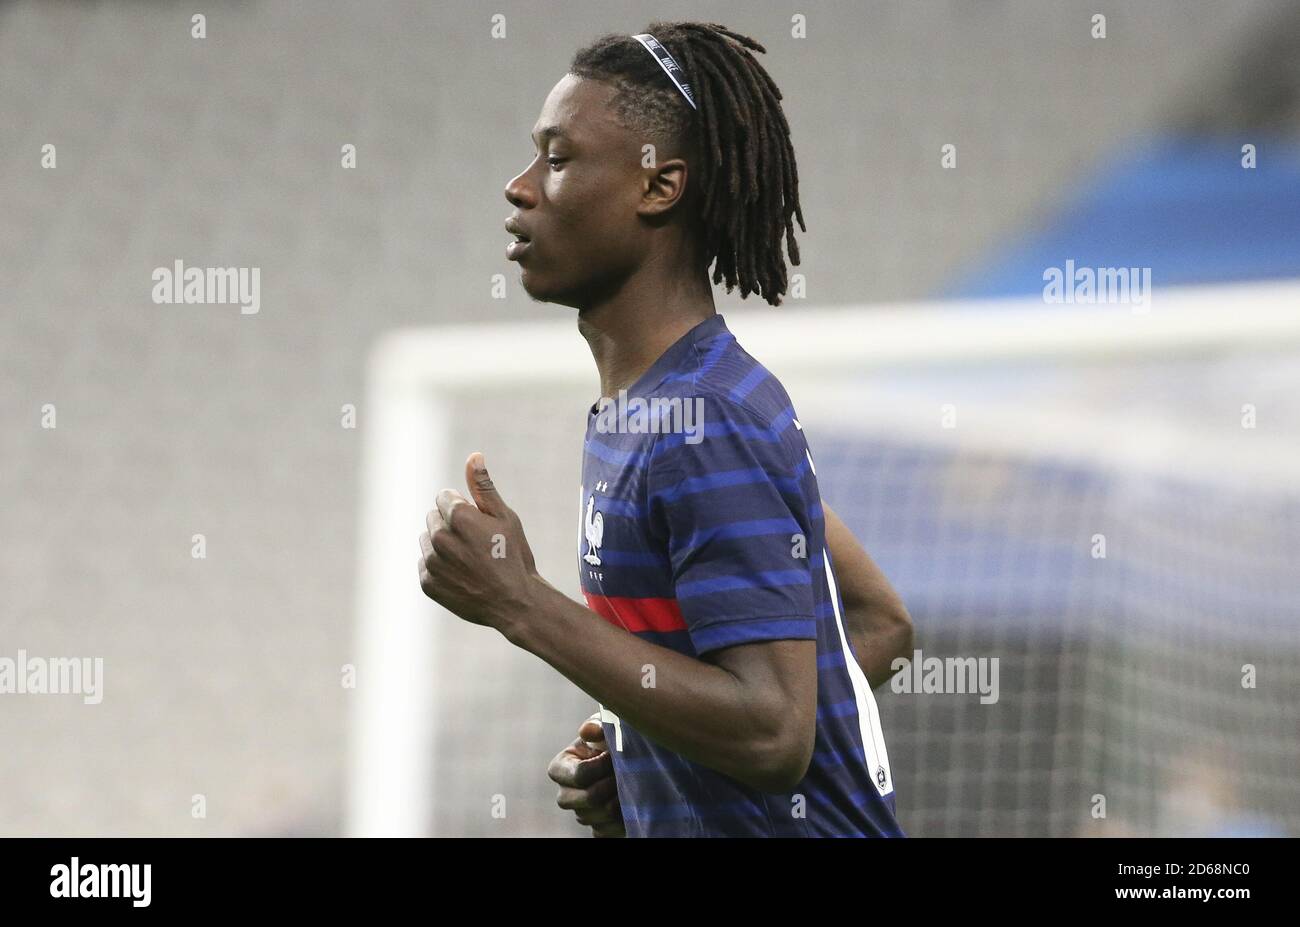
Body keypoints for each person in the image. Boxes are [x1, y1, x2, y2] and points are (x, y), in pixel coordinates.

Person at [418, 21, 912, 836]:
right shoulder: (651, 408)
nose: (521, 185)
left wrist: (521, 604)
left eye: (559, 157)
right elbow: (876, 619)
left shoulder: (703, 423)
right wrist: (665, 742)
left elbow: (773, 730)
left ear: (659, 186)